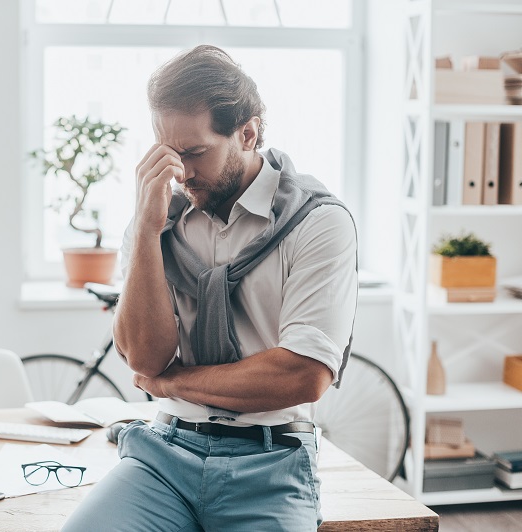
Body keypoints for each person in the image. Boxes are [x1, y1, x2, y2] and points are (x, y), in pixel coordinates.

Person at [62, 45, 357, 532]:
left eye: (195, 152)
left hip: (272, 462)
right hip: (164, 454)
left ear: (248, 132)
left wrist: (175, 384)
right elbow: (144, 358)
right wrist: (145, 232)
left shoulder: (319, 223)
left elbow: (302, 375)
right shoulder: (160, 220)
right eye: (169, 152)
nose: (181, 172)